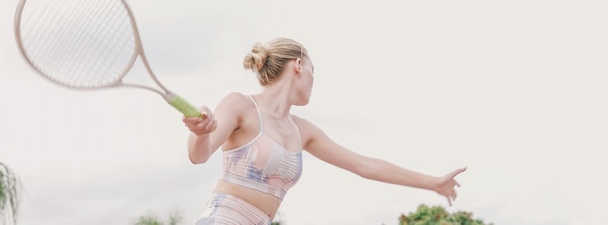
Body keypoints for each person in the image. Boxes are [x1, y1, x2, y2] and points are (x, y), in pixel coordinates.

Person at [183, 37, 467, 225]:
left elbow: (365, 165)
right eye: (312, 70)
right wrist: (199, 133)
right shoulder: (241, 105)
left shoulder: (302, 130)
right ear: (298, 66)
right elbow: (200, 155)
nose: (314, 79)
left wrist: (432, 182)